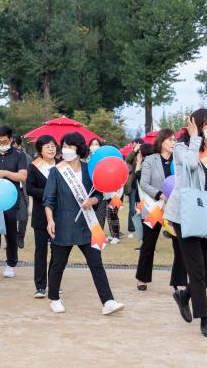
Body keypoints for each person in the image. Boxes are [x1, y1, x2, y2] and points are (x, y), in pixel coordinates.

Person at [44, 132, 124, 316]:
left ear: (79, 149)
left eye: (70, 146)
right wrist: (50, 220)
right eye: (64, 146)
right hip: (63, 223)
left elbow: (99, 193)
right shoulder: (57, 171)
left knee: (96, 263)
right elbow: (49, 199)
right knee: (58, 263)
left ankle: (108, 301)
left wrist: (92, 201)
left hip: (88, 224)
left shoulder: (89, 169)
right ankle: (54, 298)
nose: (66, 150)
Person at [165, 111, 207, 338]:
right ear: (196, 126)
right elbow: (190, 165)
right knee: (197, 270)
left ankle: (185, 295)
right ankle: (205, 320)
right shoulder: (182, 147)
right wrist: (194, 138)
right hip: (186, 214)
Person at [135, 128, 186, 292]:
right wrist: (160, 194)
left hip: (175, 208)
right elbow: (144, 183)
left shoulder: (179, 160)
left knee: (180, 245)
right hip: (154, 208)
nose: (173, 142)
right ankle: (142, 278)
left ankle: (179, 280)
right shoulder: (150, 160)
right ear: (161, 141)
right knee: (148, 244)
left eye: (174, 139)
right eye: (170, 139)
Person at [0, 125, 28, 282]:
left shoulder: (19, 155)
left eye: (4, 141)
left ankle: (11, 263)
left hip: (11, 199)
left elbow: (22, 176)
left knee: (11, 233)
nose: (1, 144)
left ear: (11, 139)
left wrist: (6, 173)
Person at [26, 134, 57, 298]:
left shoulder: (63, 165)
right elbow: (30, 189)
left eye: (53, 146)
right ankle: (40, 286)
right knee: (41, 252)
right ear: (40, 150)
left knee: (57, 251)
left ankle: (54, 283)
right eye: (47, 146)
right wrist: (49, 193)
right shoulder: (34, 167)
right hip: (40, 216)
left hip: (59, 215)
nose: (51, 149)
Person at [12, 135, 31, 249]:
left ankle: (20, 236)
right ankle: (11, 239)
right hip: (9, 191)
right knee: (10, 217)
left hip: (22, 190)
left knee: (23, 216)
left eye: (13, 143)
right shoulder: (6, 156)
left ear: (18, 145)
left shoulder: (27, 158)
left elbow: (30, 174)